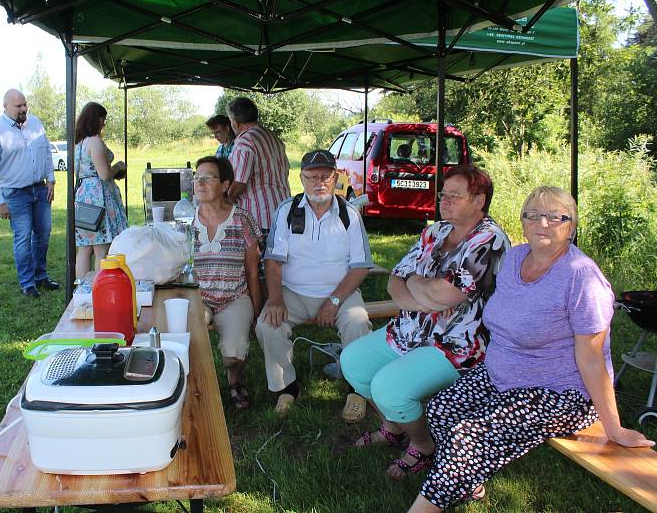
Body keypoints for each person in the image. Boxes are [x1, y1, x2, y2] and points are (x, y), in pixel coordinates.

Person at [408, 186, 654, 513]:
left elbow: (592, 359)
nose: (544, 223)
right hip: (504, 374)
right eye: (534, 215)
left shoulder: (582, 279)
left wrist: (615, 428)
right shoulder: (514, 258)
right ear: (522, 222)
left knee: (467, 437)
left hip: (562, 393)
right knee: (441, 409)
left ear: (572, 225)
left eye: (556, 217)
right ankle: (469, 482)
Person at [340, 165, 509, 479]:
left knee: (389, 387)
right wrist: (418, 291)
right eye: (444, 194)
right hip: (409, 329)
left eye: (455, 196)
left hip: (455, 344)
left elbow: (446, 295)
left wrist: (415, 282)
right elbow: (395, 278)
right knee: (354, 362)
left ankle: (422, 446)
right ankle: (393, 427)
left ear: (479, 201)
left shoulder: (489, 240)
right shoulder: (436, 231)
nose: (444, 201)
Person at [257, 149, 373, 417]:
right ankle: (286, 388)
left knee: (358, 322)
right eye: (311, 176)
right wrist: (275, 299)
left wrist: (334, 301)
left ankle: (357, 391)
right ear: (301, 178)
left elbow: (360, 266)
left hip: (340, 292)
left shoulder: (349, 215)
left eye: (325, 176)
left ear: (336, 177)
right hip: (294, 291)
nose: (318, 182)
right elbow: (272, 260)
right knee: (267, 324)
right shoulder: (287, 211)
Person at [192, 156, 262, 409]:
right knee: (189, 336)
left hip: (234, 297)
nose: (200, 182)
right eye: (196, 177)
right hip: (198, 297)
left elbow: (253, 271)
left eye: (207, 177)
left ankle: (234, 379)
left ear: (224, 185)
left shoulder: (241, 219)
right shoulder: (185, 220)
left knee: (233, 355)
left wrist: (256, 310)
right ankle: (196, 387)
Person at [0, 89, 59, 298]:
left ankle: (41, 276)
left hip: (40, 190)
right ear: (5, 106)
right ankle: (27, 283)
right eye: (18, 106)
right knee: (23, 238)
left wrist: (51, 179)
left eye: (25, 104)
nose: (23, 109)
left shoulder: (35, 124)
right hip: (15, 194)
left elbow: (45, 152)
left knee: (43, 234)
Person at [73, 102, 128, 278]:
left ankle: (81, 292)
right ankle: (98, 290)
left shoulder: (79, 144)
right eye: (103, 119)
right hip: (99, 198)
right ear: (95, 119)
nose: (104, 123)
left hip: (84, 196)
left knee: (84, 248)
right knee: (101, 249)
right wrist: (118, 166)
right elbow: (104, 174)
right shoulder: (95, 142)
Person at [226, 97, 291, 235]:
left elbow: (238, 182)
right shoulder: (273, 137)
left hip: (258, 217)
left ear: (235, 122)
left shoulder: (245, 142)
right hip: (283, 211)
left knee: (258, 256)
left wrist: (224, 206)